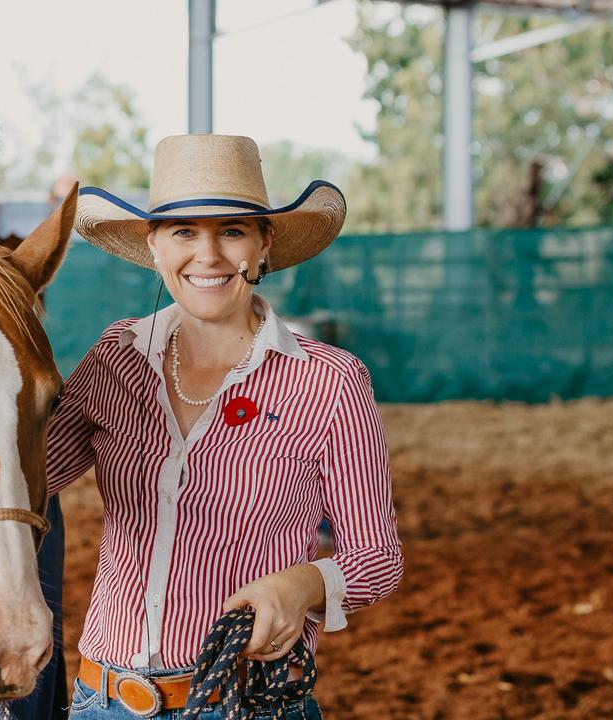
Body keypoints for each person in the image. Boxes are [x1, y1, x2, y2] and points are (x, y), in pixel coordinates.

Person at [49, 134, 403, 719]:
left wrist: (300, 586)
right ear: (154, 247)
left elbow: (376, 558)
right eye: (183, 232)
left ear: (263, 245)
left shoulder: (330, 381)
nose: (207, 254)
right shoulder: (115, 357)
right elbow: (26, 477)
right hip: (101, 701)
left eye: (231, 231)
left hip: (244, 702)